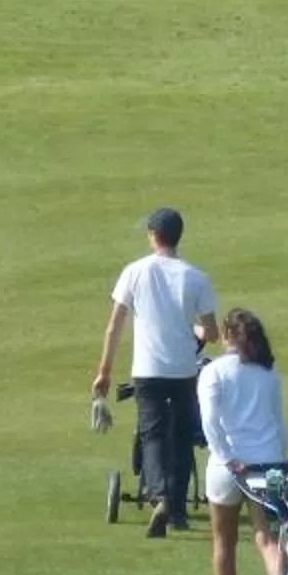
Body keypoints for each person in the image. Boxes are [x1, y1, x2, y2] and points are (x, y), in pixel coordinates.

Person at [93, 208, 218, 538]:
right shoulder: (195, 276)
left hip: (147, 371)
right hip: (183, 370)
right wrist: (188, 327)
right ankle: (176, 509)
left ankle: (159, 496)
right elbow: (211, 332)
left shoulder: (134, 272)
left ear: (153, 235)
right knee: (180, 438)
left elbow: (114, 328)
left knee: (152, 435)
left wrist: (104, 372)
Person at [197, 306, 288, 575]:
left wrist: (226, 456)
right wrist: (279, 458)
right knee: (267, 539)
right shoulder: (269, 372)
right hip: (268, 465)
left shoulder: (214, 372)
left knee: (224, 540)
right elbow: (280, 423)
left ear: (226, 336)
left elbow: (209, 421)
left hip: (230, 468)